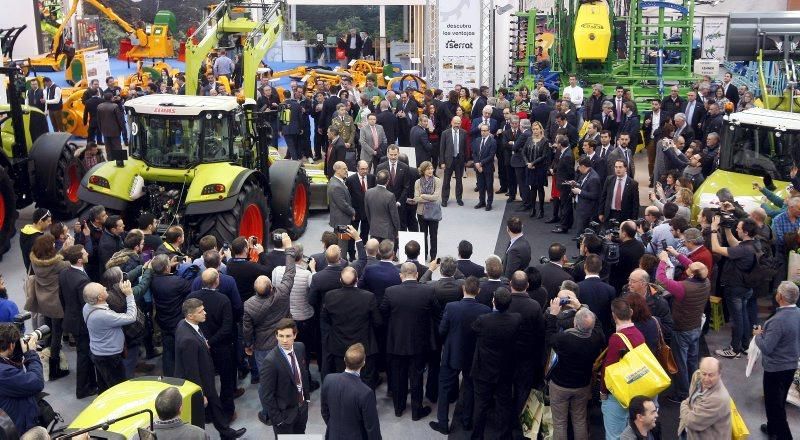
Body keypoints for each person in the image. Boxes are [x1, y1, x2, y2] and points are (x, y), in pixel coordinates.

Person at [242, 238, 296, 424]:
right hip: (284, 342)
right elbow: (290, 272)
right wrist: (289, 248)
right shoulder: (282, 293)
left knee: (266, 382)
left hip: (263, 347)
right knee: (287, 374)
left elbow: (247, 329)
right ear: (271, 287)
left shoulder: (249, 305)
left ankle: (268, 413)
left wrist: (248, 346)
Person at [175, 299, 246, 439]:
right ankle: (224, 434)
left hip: (204, 375)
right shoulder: (189, 340)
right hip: (200, 380)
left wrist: (203, 343)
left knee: (215, 407)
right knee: (205, 411)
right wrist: (200, 394)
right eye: (200, 311)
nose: (205, 313)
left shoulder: (185, 324)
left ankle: (226, 433)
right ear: (190, 316)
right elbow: (191, 370)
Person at [429, 276, 491, 434]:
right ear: (478, 291)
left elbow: (442, 330)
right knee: (469, 388)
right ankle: (466, 421)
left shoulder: (451, 307)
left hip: (452, 354)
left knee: (444, 388)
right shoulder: (485, 310)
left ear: (463, 289)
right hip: (472, 357)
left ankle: (443, 423)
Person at [380, 263, 438, 420]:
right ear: (417, 274)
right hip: (419, 343)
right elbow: (435, 313)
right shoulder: (428, 291)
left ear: (401, 275)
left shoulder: (390, 292)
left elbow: (383, 314)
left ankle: (398, 409)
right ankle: (416, 411)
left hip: (396, 342)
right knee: (417, 377)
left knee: (398, 377)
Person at [656, 253, 710, 403]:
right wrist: (676, 254)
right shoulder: (706, 282)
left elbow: (661, 280)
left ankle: (682, 394)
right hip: (695, 327)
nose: (689, 265)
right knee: (692, 360)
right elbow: (694, 265)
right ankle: (695, 387)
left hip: (681, 330)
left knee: (680, 363)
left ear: (691, 273)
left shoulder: (683, 288)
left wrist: (662, 262)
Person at [546, 306, 605, 440]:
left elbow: (549, 336)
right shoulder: (596, 339)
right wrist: (580, 305)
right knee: (579, 420)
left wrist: (553, 315)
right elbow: (599, 326)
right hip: (582, 385)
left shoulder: (563, 339)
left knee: (560, 422)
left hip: (560, 386)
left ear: (575, 323)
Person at [186, 269, 239, 420]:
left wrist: (203, 341)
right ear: (217, 281)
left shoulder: (191, 297)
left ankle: (208, 413)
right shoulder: (223, 299)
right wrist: (211, 341)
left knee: (206, 380)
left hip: (200, 347)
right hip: (222, 346)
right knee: (226, 379)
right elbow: (227, 327)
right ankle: (228, 413)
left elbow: (188, 322)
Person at [470, 288, 520, 440]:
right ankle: (504, 436)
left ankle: (477, 436)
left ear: (493, 301)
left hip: (483, 370)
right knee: (503, 405)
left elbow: (473, 330)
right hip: (505, 370)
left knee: (480, 406)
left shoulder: (483, 320)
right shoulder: (516, 319)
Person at [753, 281, 800, 439]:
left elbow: (766, 347)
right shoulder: (798, 313)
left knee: (775, 406)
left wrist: (758, 335)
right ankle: (772, 429)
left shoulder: (777, 320)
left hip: (775, 369)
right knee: (779, 400)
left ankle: (784, 435)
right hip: (791, 365)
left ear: (780, 296)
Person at [321, 267, 382, 385]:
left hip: (339, 347)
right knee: (366, 381)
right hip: (364, 347)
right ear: (357, 280)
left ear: (340, 280)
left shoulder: (330, 296)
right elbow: (378, 322)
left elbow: (325, 319)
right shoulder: (368, 297)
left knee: (342, 382)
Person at [711, 217, 759, 358]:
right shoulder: (754, 244)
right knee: (743, 317)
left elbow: (716, 248)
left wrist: (714, 228)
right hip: (747, 288)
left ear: (745, 232)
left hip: (735, 289)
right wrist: (726, 228)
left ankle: (734, 349)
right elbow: (735, 244)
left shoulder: (744, 250)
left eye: (738, 228)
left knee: (737, 320)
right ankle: (744, 346)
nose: (736, 229)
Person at [601, 299, 647, 439]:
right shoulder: (638, 334)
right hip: (634, 388)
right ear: (631, 312)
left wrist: (603, 391)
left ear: (614, 316)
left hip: (618, 393)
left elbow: (608, 368)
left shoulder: (617, 338)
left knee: (614, 434)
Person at [59, 244, 98, 398]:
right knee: (84, 356)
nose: (88, 252)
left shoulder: (64, 273)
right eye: (84, 252)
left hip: (71, 318)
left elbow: (62, 298)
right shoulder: (81, 280)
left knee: (83, 354)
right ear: (80, 260)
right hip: (82, 323)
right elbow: (87, 305)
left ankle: (90, 384)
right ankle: (82, 389)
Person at [82, 281, 137, 391]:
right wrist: (129, 295)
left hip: (98, 352)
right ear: (100, 297)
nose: (105, 287)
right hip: (109, 357)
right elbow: (131, 317)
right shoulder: (104, 315)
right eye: (103, 289)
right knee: (118, 387)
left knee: (104, 385)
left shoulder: (87, 307)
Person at [262, 318, 311, 438]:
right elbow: (267, 395)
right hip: (284, 417)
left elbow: (303, 374)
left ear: (295, 335)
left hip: (301, 410)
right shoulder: (270, 361)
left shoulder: (300, 348)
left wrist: (306, 399)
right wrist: (278, 420)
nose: (284, 340)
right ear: (276, 335)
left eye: (288, 336)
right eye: (281, 336)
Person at [320, 343, 382, 440]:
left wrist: (335, 428)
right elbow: (372, 428)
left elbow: (325, 411)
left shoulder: (328, 380)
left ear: (344, 360)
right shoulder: (366, 393)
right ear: (363, 363)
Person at [0, 323, 44, 435]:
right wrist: (31, 354)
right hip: (19, 425)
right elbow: (36, 382)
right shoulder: (4, 373)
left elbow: (16, 378)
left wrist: (16, 357)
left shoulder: (4, 365)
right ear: (11, 345)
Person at [678, 357, 731, 439]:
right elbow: (691, 397)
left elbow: (691, 421)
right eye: (704, 374)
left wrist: (683, 404)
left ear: (719, 374)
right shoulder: (697, 376)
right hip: (689, 432)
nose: (706, 379)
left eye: (711, 375)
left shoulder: (718, 398)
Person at [577, 254, 616, 335]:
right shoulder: (610, 289)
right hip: (603, 332)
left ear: (585, 267)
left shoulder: (577, 287)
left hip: (581, 331)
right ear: (600, 267)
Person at [376, 145, 411, 230]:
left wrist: (399, 202)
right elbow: (377, 186)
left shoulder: (405, 167)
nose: (393, 157)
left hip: (399, 205)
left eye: (395, 154)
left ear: (398, 154)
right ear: (387, 154)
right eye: (391, 154)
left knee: (400, 227)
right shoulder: (380, 167)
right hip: (384, 205)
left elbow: (406, 187)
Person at [414, 161, 442, 260]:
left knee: (433, 235)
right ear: (423, 170)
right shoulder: (418, 182)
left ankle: (433, 256)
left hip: (434, 212)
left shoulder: (437, 181)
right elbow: (416, 198)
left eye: (431, 168)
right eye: (428, 169)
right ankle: (424, 255)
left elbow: (436, 197)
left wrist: (423, 196)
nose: (430, 171)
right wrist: (428, 197)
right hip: (421, 212)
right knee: (423, 235)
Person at [365, 170, 401, 244]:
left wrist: (372, 223)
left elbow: (367, 212)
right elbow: (394, 216)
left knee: (375, 252)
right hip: (387, 231)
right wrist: (397, 230)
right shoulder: (390, 195)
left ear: (376, 179)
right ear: (388, 181)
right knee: (387, 253)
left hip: (374, 229)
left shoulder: (368, 192)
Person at [599, 159, 640, 224]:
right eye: (616, 167)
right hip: (610, 214)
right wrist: (601, 212)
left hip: (624, 216)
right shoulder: (609, 180)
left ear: (626, 168)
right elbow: (603, 197)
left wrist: (634, 220)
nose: (618, 169)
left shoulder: (633, 184)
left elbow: (635, 204)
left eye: (620, 167)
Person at [328, 161, 357, 252]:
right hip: (342, 223)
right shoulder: (336, 186)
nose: (346, 171)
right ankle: (342, 263)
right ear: (337, 170)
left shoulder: (335, 181)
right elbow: (343, 205)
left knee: (338, 244)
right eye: (344, 169)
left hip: (339, 221)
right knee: (342, 246)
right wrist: (353, 212)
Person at [439, 116, 468, 206]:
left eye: (459, 123)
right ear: (451, 123)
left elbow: (465, 147)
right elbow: (442, 149)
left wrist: (466, 160)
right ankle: (444, 199)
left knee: (459, 181)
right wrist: (442, 162)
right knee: (446, 181)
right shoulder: (445, 133)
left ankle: (459, 199)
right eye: (455, 123)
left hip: (459, 160)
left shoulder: (464, 133)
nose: (457, 125)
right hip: (448, 161)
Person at [572, 156, 603, 235]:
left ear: (583, 166)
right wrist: (576, 184)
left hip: (587, 211)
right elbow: (584, 185)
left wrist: (579, 192)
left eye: (578, 166)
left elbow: (594, 195)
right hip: (581, 208)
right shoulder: (586, 173)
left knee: (582, 232)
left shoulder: (593, 178)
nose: (578, 168)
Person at [526, 121, 551, 218]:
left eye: (537, 129)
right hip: (530, 168)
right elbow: (524, 152)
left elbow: (544, 156)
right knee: (533, 189)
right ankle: (533, 209)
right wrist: (527, 163)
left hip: (540, 168)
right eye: (533, 129)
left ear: (541, 129)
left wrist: (533, 163)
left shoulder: (545, 141)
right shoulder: (529, 139)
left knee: (540, 189)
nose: (535, 131)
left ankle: (541, 209)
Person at [472, 123, 498, 210]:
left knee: (489, 186)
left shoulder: (492, 141)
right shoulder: (477, 140)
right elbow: (474, 153)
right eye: (482, 130)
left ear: (489, 131)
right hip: (478, 167)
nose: (483, 132)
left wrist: (480, 163)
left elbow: (491, 156)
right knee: (480, 185)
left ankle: (489, 203)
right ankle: (482, 202)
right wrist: (476, 163)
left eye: (485, 130)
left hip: (488, 167)